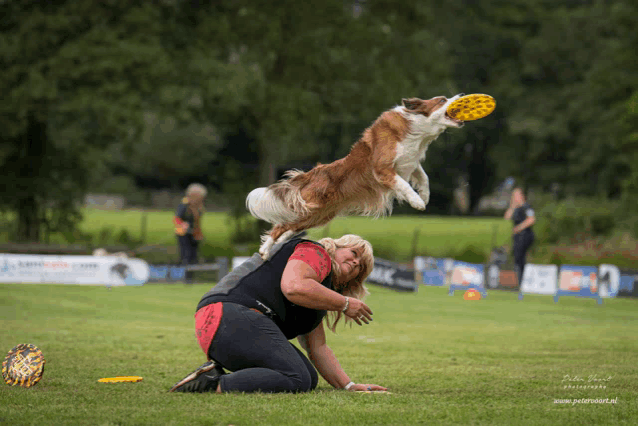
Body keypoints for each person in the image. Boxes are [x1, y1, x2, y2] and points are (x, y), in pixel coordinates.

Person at [169, 234, 388, 394]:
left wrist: (348, 386)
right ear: (336, 247)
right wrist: (345, 303)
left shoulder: (320, 294)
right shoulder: (316, 252)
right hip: (228, 315)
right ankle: (208, 385)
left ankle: (211, 374)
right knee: (297, 377)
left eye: (360, 266)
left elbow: (318, 347)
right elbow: (294, 286)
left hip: (221, 327)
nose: (356, 262)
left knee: (307, 378)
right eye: (354, 253)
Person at [174, 183, 207, 283]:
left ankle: (191, 278)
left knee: (194, 256)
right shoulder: (185, 203)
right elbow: (176, 218)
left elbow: (198, 221)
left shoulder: (199, 206)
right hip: (183, 234)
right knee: (186, 255)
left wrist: (199, 233)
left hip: (194, 234)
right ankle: (186, 279)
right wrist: (183, 224)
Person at [504, 187, 536, 285]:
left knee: (520, 257)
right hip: (517, 236)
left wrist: (519, 228)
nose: (515, 197)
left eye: (517, 195)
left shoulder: (527, 207)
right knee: (517, 257)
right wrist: (512, 206)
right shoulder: (516, 208)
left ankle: (522, 280)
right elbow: (506, 217)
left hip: (525, 235)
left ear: (522, 196)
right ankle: (519, 279)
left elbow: (531, 219)